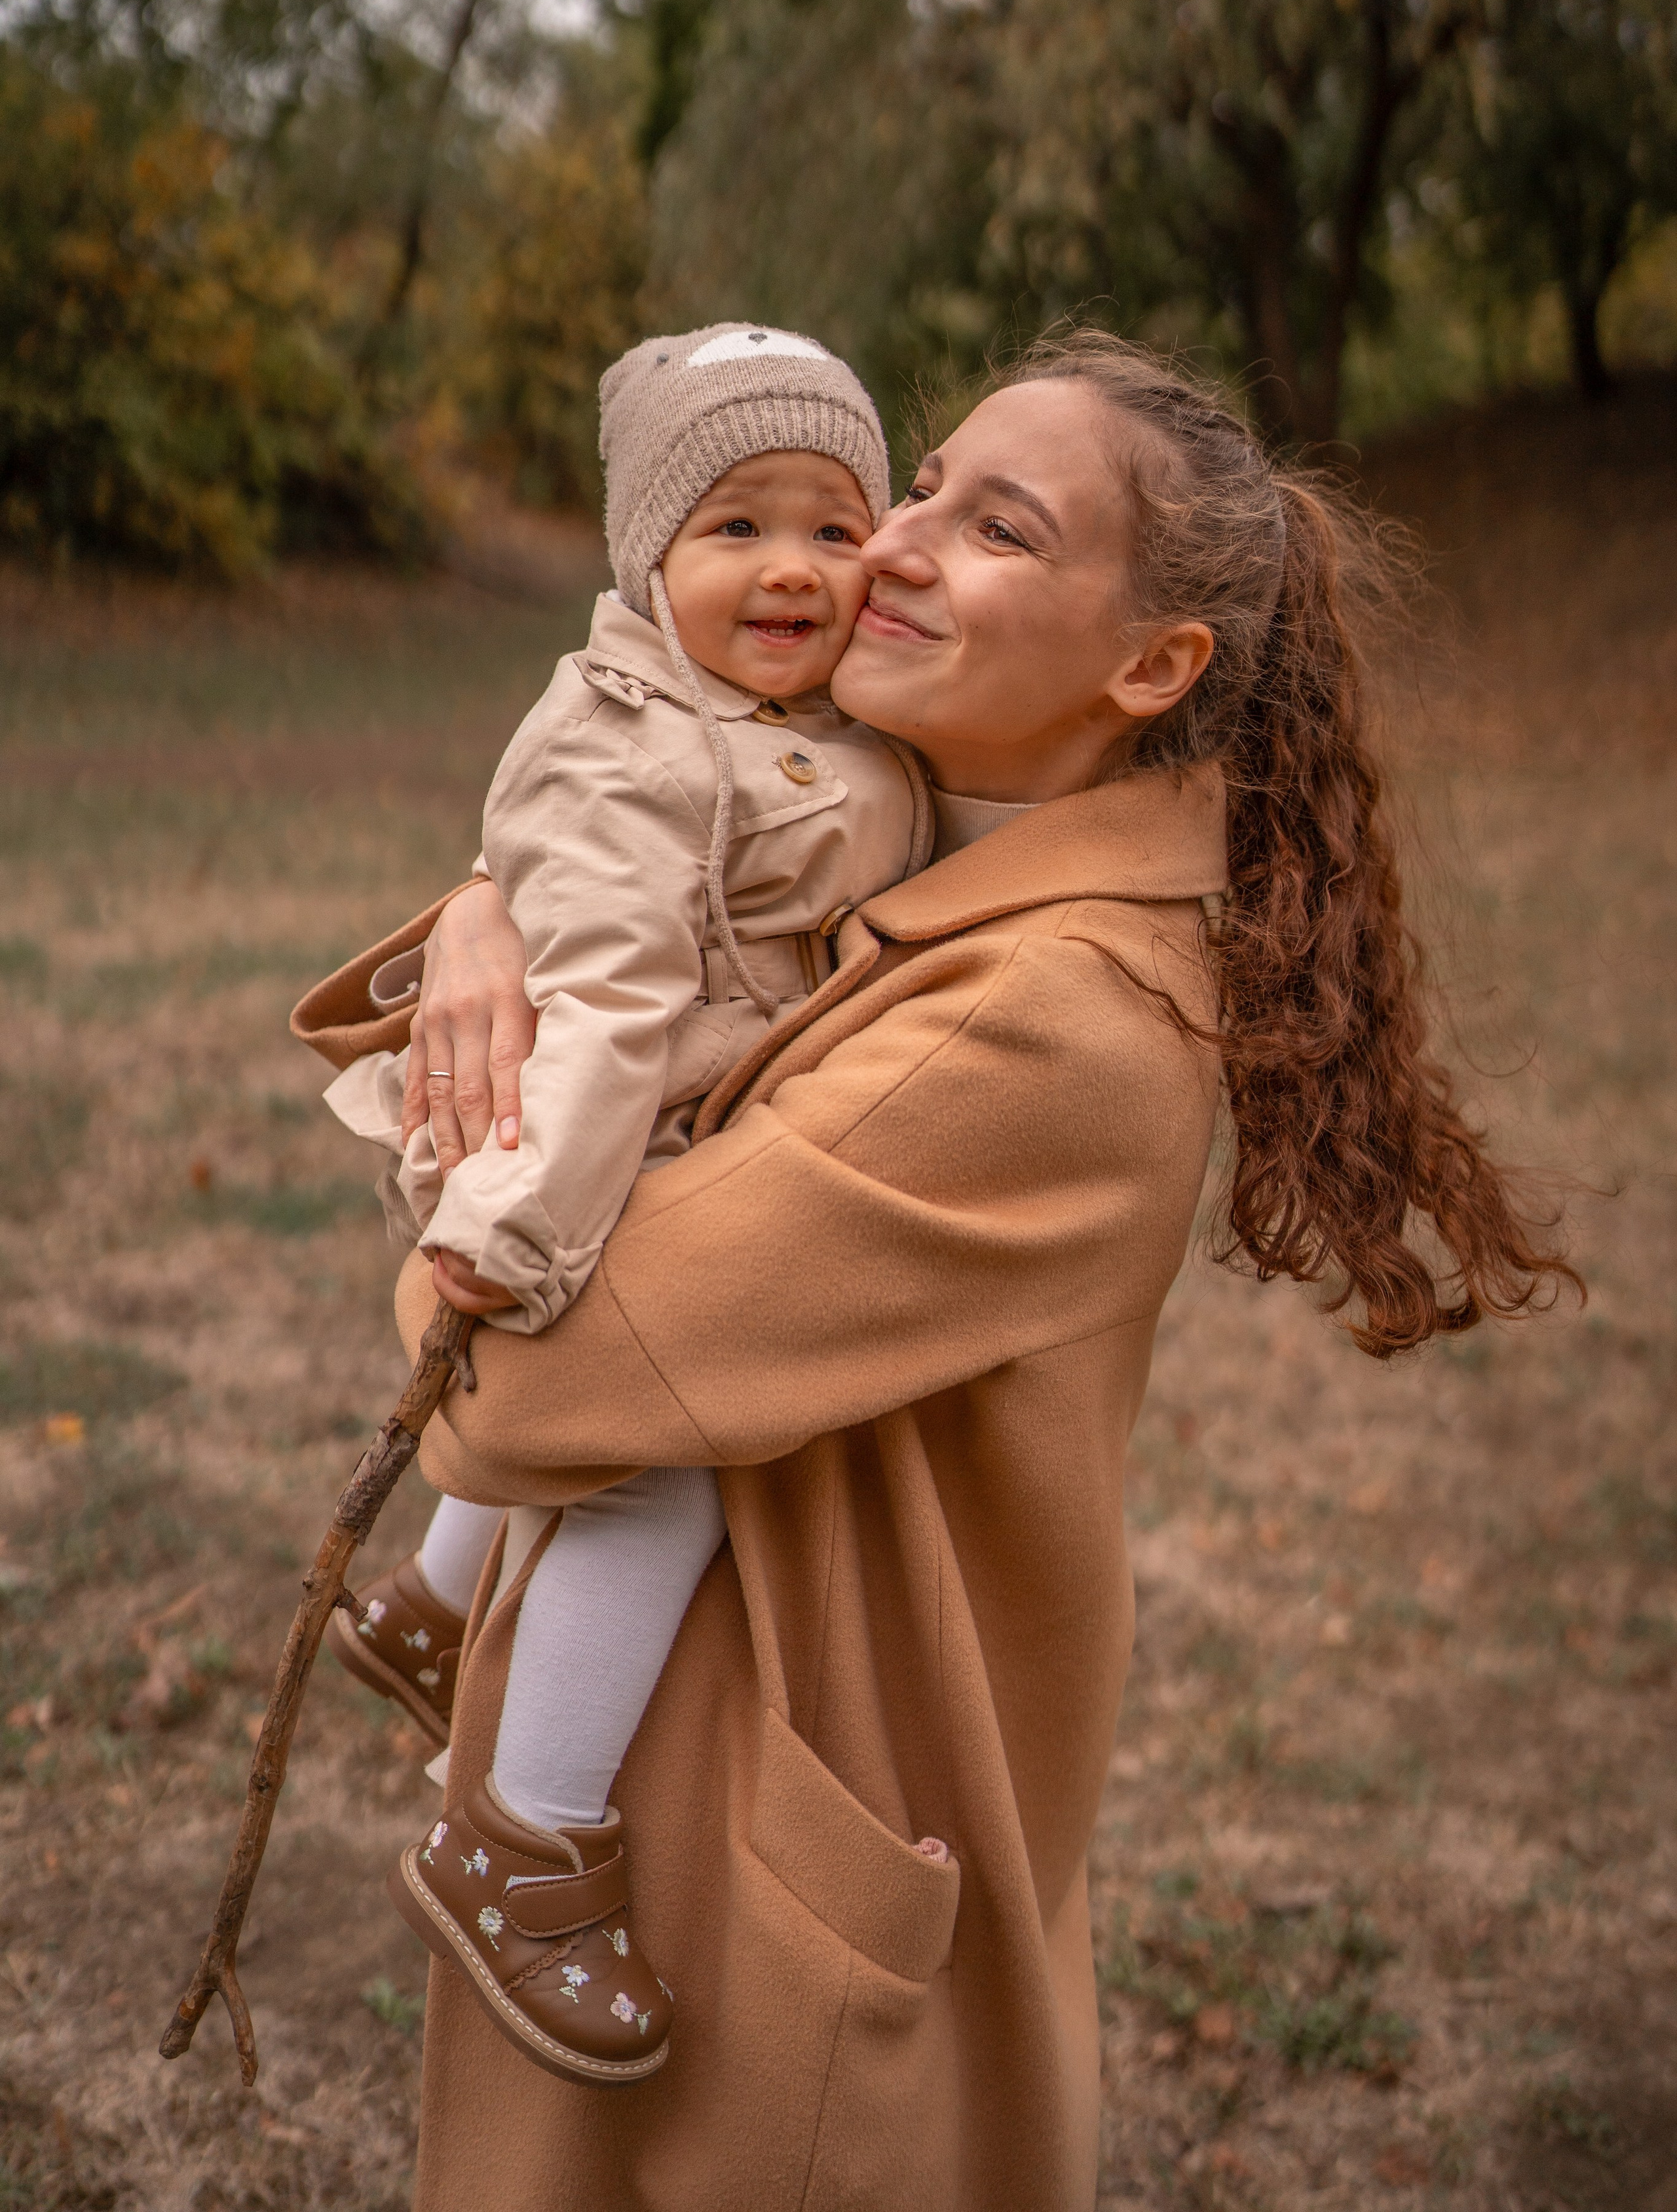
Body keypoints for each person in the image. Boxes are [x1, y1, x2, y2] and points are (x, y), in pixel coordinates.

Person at [293, 329, 1573, 2212]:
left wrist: (467, 1137)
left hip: (780, 1879)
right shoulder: (913, 849)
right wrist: (500, 905)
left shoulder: (1043, 1025)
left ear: (1148, 668)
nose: (887, 545)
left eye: (998, 528)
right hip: (707, 1784)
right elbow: (654, 858)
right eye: (921, 483)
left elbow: (527, 1375)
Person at [307, 324, 933, 2082]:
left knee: (631, 1456)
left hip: (663, 1142)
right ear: (645, 563)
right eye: (737, 527)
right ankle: (520, 1840)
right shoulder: (638, 755)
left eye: (833, 522)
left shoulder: (785, 720)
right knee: (666, 1475)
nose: (793, 566)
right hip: (594, 1165)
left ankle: (430, 1604)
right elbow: (596, 1023)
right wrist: (514, 1234)